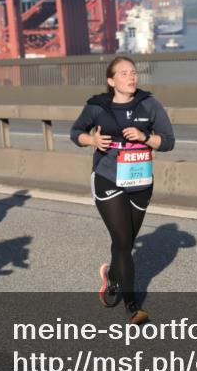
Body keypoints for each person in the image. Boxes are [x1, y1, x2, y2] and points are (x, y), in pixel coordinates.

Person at [70, 56, 175, 325]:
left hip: (141, 183)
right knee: (123, 242)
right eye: (125, 73)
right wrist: (91, 139)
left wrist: (145, 138)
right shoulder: (97, 107)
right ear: (111, 80)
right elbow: (75, 132)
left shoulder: (149, 104)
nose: (132, 77)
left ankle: (113, 276)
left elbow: (169, 141)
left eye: (134, 73)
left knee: (124, 243)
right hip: (108, 180)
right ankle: (132, 306)